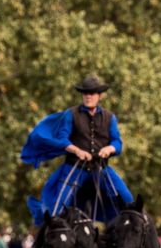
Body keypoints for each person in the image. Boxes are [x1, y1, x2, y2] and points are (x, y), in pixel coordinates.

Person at [21, 74, 133, 225]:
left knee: (127, 199)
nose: (88, 96)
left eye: (92, 93)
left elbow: (117, 142)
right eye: (85, 93)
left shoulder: (109, 117)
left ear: (99, 95)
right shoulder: (71, 114)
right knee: (57, 207)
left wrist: (110, 148)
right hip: (74, 167)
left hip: (100, 168)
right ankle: (47, 238)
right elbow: (62, 138)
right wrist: (77, 150)